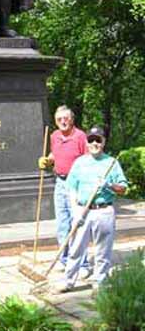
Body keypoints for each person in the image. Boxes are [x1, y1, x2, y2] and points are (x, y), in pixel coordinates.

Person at [56, 126, 127, 293]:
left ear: (104, 142)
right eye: (91, 140)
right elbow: (71, 188)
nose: (94, 143)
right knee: (75, 249)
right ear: (86, 142)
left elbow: (123, 188)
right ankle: (68, 281)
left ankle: (99, 281)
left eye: (98, 140)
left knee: (103, 250)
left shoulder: (112, 163)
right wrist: (75, 210)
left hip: (104, 211)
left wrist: (109, 185)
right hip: (83, 211)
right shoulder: (80, 163)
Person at [38, 105, 90, 275]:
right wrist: (48, 160)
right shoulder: (54, 136)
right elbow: (55, 154)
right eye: (59, 119)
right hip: (59, 183)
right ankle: (64, 259)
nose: (62, 122)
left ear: (72, 119)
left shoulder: (81, 136)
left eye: (65, 118)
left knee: (77, 224)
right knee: (62, 224)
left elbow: (89, 159)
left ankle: (82, 265)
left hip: (76, 185)